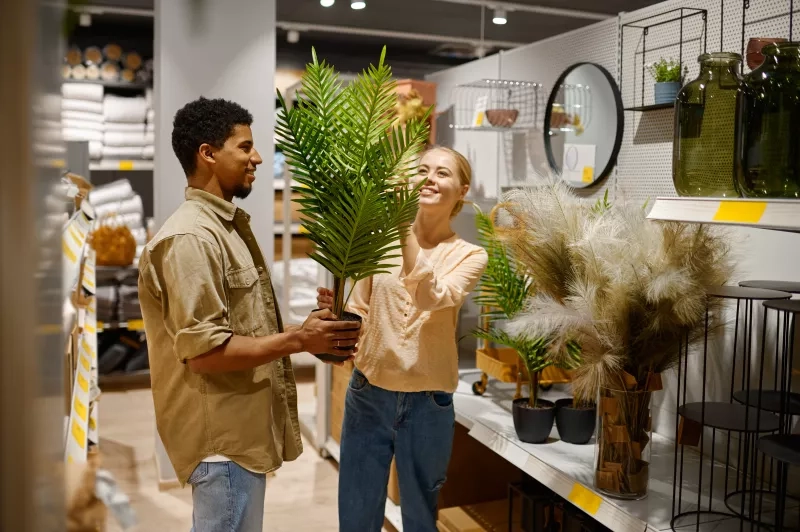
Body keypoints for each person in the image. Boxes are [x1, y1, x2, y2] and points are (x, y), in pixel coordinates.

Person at [138, 97, 359, 532]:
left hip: (238, 434)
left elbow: (242, 324)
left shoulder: (224, 227)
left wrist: (311, 329)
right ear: (208, 154)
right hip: (222, 444)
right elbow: (204, 354)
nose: (257, 157)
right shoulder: (191, 239)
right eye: (245, 147)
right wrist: (298, 339)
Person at [317, 146, 489, 532]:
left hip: (428, 404)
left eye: (442, 173)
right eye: (423, 169)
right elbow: (361, 307)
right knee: (357, 514)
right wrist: (339, 317)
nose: (429, 178)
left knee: (419, 518)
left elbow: (432, 297)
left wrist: (401, 229)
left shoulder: (470, 255)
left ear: (462, 190)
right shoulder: (377, 243)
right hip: (368, 393)